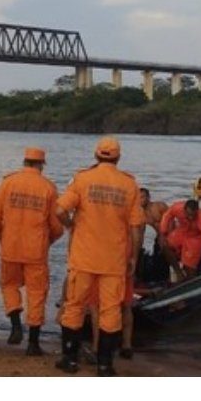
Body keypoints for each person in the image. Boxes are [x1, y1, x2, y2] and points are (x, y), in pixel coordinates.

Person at [54, 136, 145, 377]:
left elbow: (60, 210)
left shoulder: (82, 179)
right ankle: (105, 366)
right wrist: (133, 258)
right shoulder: (129, 184)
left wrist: (71, 225)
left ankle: (69, 360)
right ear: (118, 157)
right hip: (114, 261)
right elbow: (136, 227)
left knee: (74, 306)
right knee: (110, 311)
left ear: (96, 155)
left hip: (83, 258)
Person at [0, 147, 63, 356]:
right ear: (41, 165)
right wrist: (48, 241)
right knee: (36, 293)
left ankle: (15, 325)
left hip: (10, 247)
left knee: (9, 285)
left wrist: (2, 236)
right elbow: (57, 227)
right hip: (36, 251)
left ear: (24, 162)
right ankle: (33, 344)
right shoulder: (48, 188)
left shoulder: (8, 183)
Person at [158, 199, 201, 282]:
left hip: (196, 237)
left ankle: (190, 281)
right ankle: (179, 273)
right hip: (182, 231)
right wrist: (162, 232)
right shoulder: (177, 207)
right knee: (165, 245)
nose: (190, 217)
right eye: (188, 215)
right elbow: (167, 216)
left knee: (189, 267)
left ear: (197, 212)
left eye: (193, 215)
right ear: (184, 210)